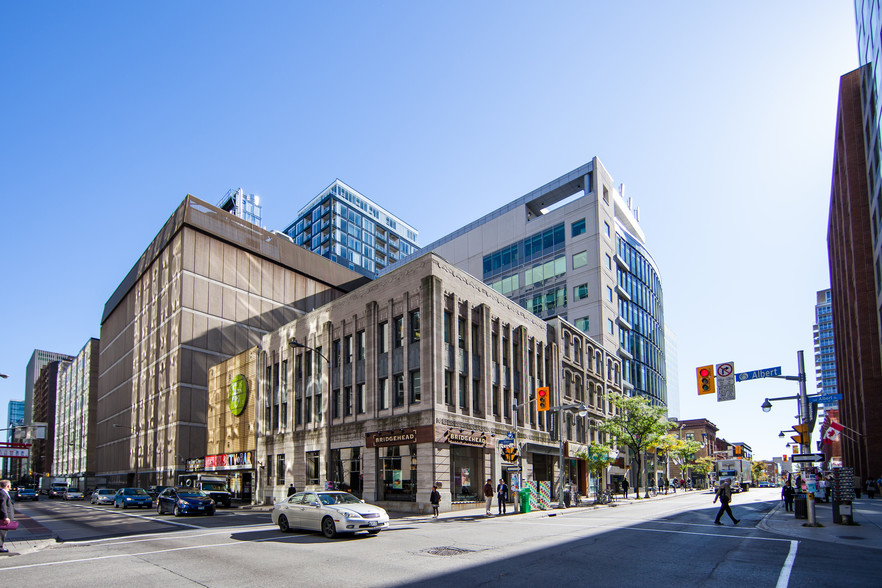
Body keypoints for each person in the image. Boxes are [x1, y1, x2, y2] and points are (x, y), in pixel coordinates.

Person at [0, 479, 15, 553]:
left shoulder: (3, 493)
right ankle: (0, 547)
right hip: (4, 518)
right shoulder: (2, 493)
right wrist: (5, 517)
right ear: (8, 486)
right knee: (2, 532)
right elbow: (2, 506)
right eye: (10, 486)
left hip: (5, 517)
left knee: (3, 532)